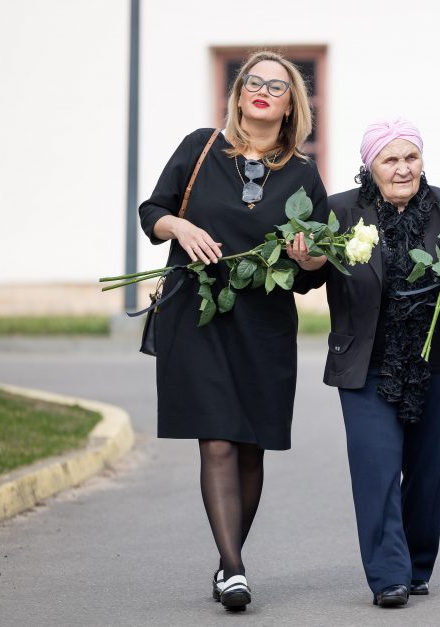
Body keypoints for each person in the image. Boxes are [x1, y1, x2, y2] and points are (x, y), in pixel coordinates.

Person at [137, 51, 327, 612]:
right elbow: (153, 212)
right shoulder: (200, 147)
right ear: (239, 92)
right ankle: (237, 567)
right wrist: (181, 225)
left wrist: (309, 257)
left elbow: (310, 276)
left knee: (249, 446)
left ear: (291, 102)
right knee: (216, 436)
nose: (263, 90)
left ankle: (225, 564)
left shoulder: (301, 174)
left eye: (278, 84)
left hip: (264, 324)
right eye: (254, 82)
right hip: (196, 314)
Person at [297, 117, 440, 607]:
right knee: (376, 469)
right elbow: (306, 281)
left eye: (411, 158)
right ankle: (389, 577)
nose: (403, 169)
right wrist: (308, 260)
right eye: (391, 159)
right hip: (367, 364)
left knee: (428, 472)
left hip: (438, 362)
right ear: (370, 165)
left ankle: (418, 565)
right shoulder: (338, 212)